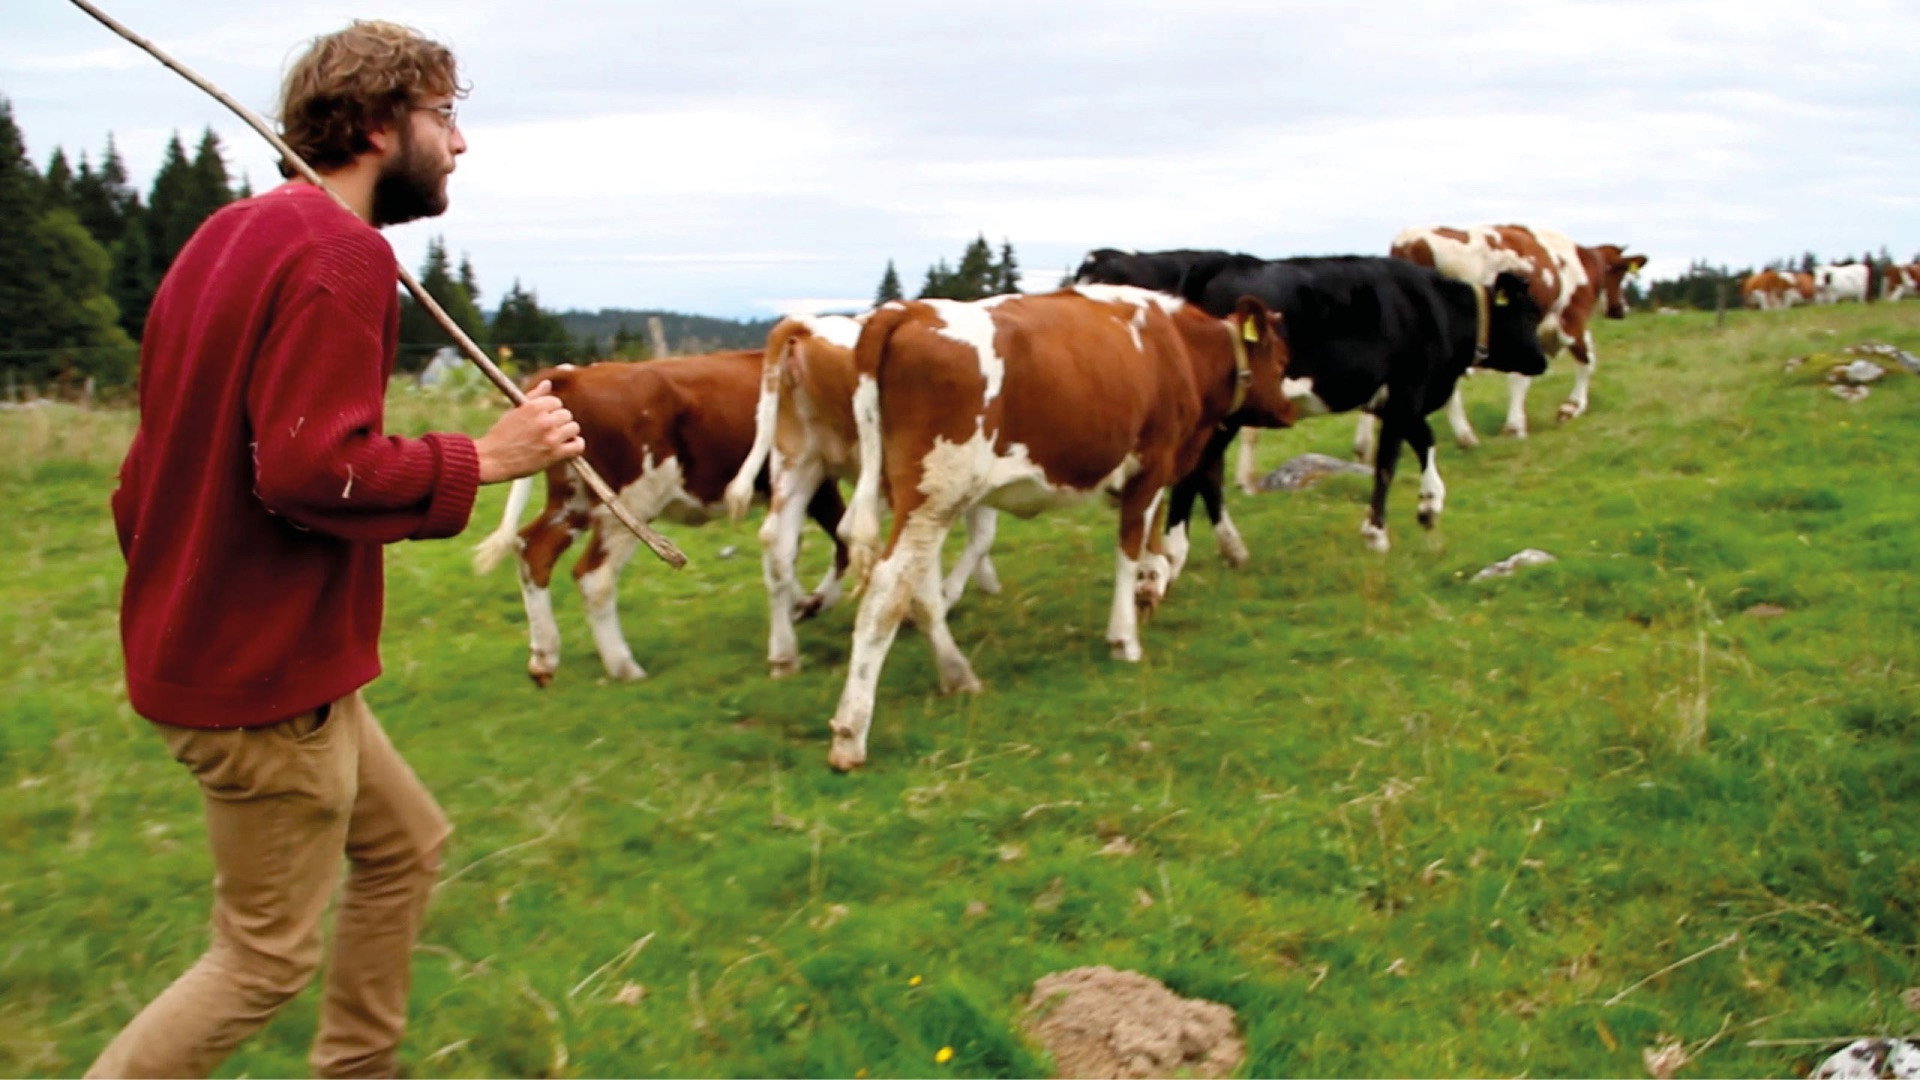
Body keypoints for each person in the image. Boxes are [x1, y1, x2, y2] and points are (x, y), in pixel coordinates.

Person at [91, 20, 583, 1079]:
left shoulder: (229, 235)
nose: (460, 145)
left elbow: (143, 481)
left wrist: (200, 592)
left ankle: (358, 1069)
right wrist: (488, 459)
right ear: (371, 123)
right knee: (260, 963)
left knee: (405, 848)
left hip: (261, 660)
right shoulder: (336, 253)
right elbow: (313, 470)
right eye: (444, 115)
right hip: (261, 689)